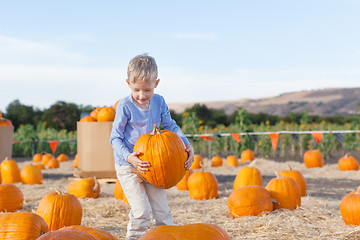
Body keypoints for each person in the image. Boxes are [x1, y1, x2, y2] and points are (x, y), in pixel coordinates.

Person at [110, 54, 194, 240]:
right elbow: (115, 138)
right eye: (136, 89)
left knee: (162, 211)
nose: (141, 95)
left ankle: (164, 237)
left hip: (154, 165)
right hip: (129, 165)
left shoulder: (159, 102)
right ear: (128, 83)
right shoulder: (124, 106)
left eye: (147, 90)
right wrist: (129, 156)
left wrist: (187, 145)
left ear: (156, 83)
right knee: (141, 211)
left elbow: (171, 126)